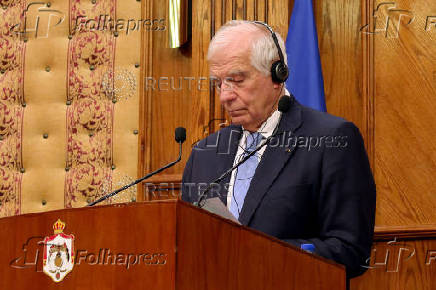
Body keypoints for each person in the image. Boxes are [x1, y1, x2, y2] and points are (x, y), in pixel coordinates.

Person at [181, 20, 376, 279]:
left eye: (237, 80)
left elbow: (351, 251)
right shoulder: (204, 153)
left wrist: (259, 254)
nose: (225, 96)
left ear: (277, 74)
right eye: (219, 83)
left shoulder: (332, 139)